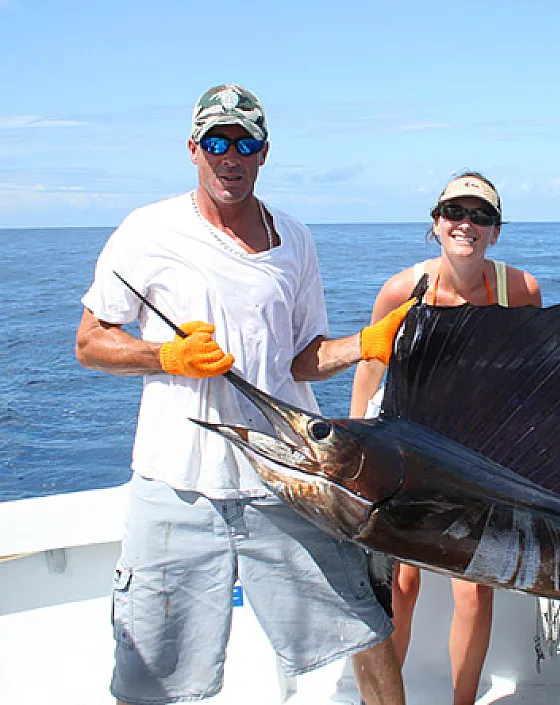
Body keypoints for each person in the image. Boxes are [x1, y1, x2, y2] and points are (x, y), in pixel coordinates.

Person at [75, 83, 409, 705]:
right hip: (176, 483)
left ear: (264, 153)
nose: (231, 155)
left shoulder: (296, 241)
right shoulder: (146, 230)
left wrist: (364, 344)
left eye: (245, 142)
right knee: (151, 675)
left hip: (284, 478)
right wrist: (164, 356)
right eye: (217, 142)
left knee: (366, 628)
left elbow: (301, 360)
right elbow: (91, 341)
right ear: (194, 150)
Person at [350, 172, 542, 705]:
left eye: (481, 216)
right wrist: (358, 456)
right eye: (456, 212)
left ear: (496, 232)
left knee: (475, 593)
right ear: (435, 224)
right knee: (403, 588)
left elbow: (535, 380)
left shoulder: (521, 292)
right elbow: (369, 372)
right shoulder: (400, 290)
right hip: (409, 451)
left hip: (479, 458)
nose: (467, 224)